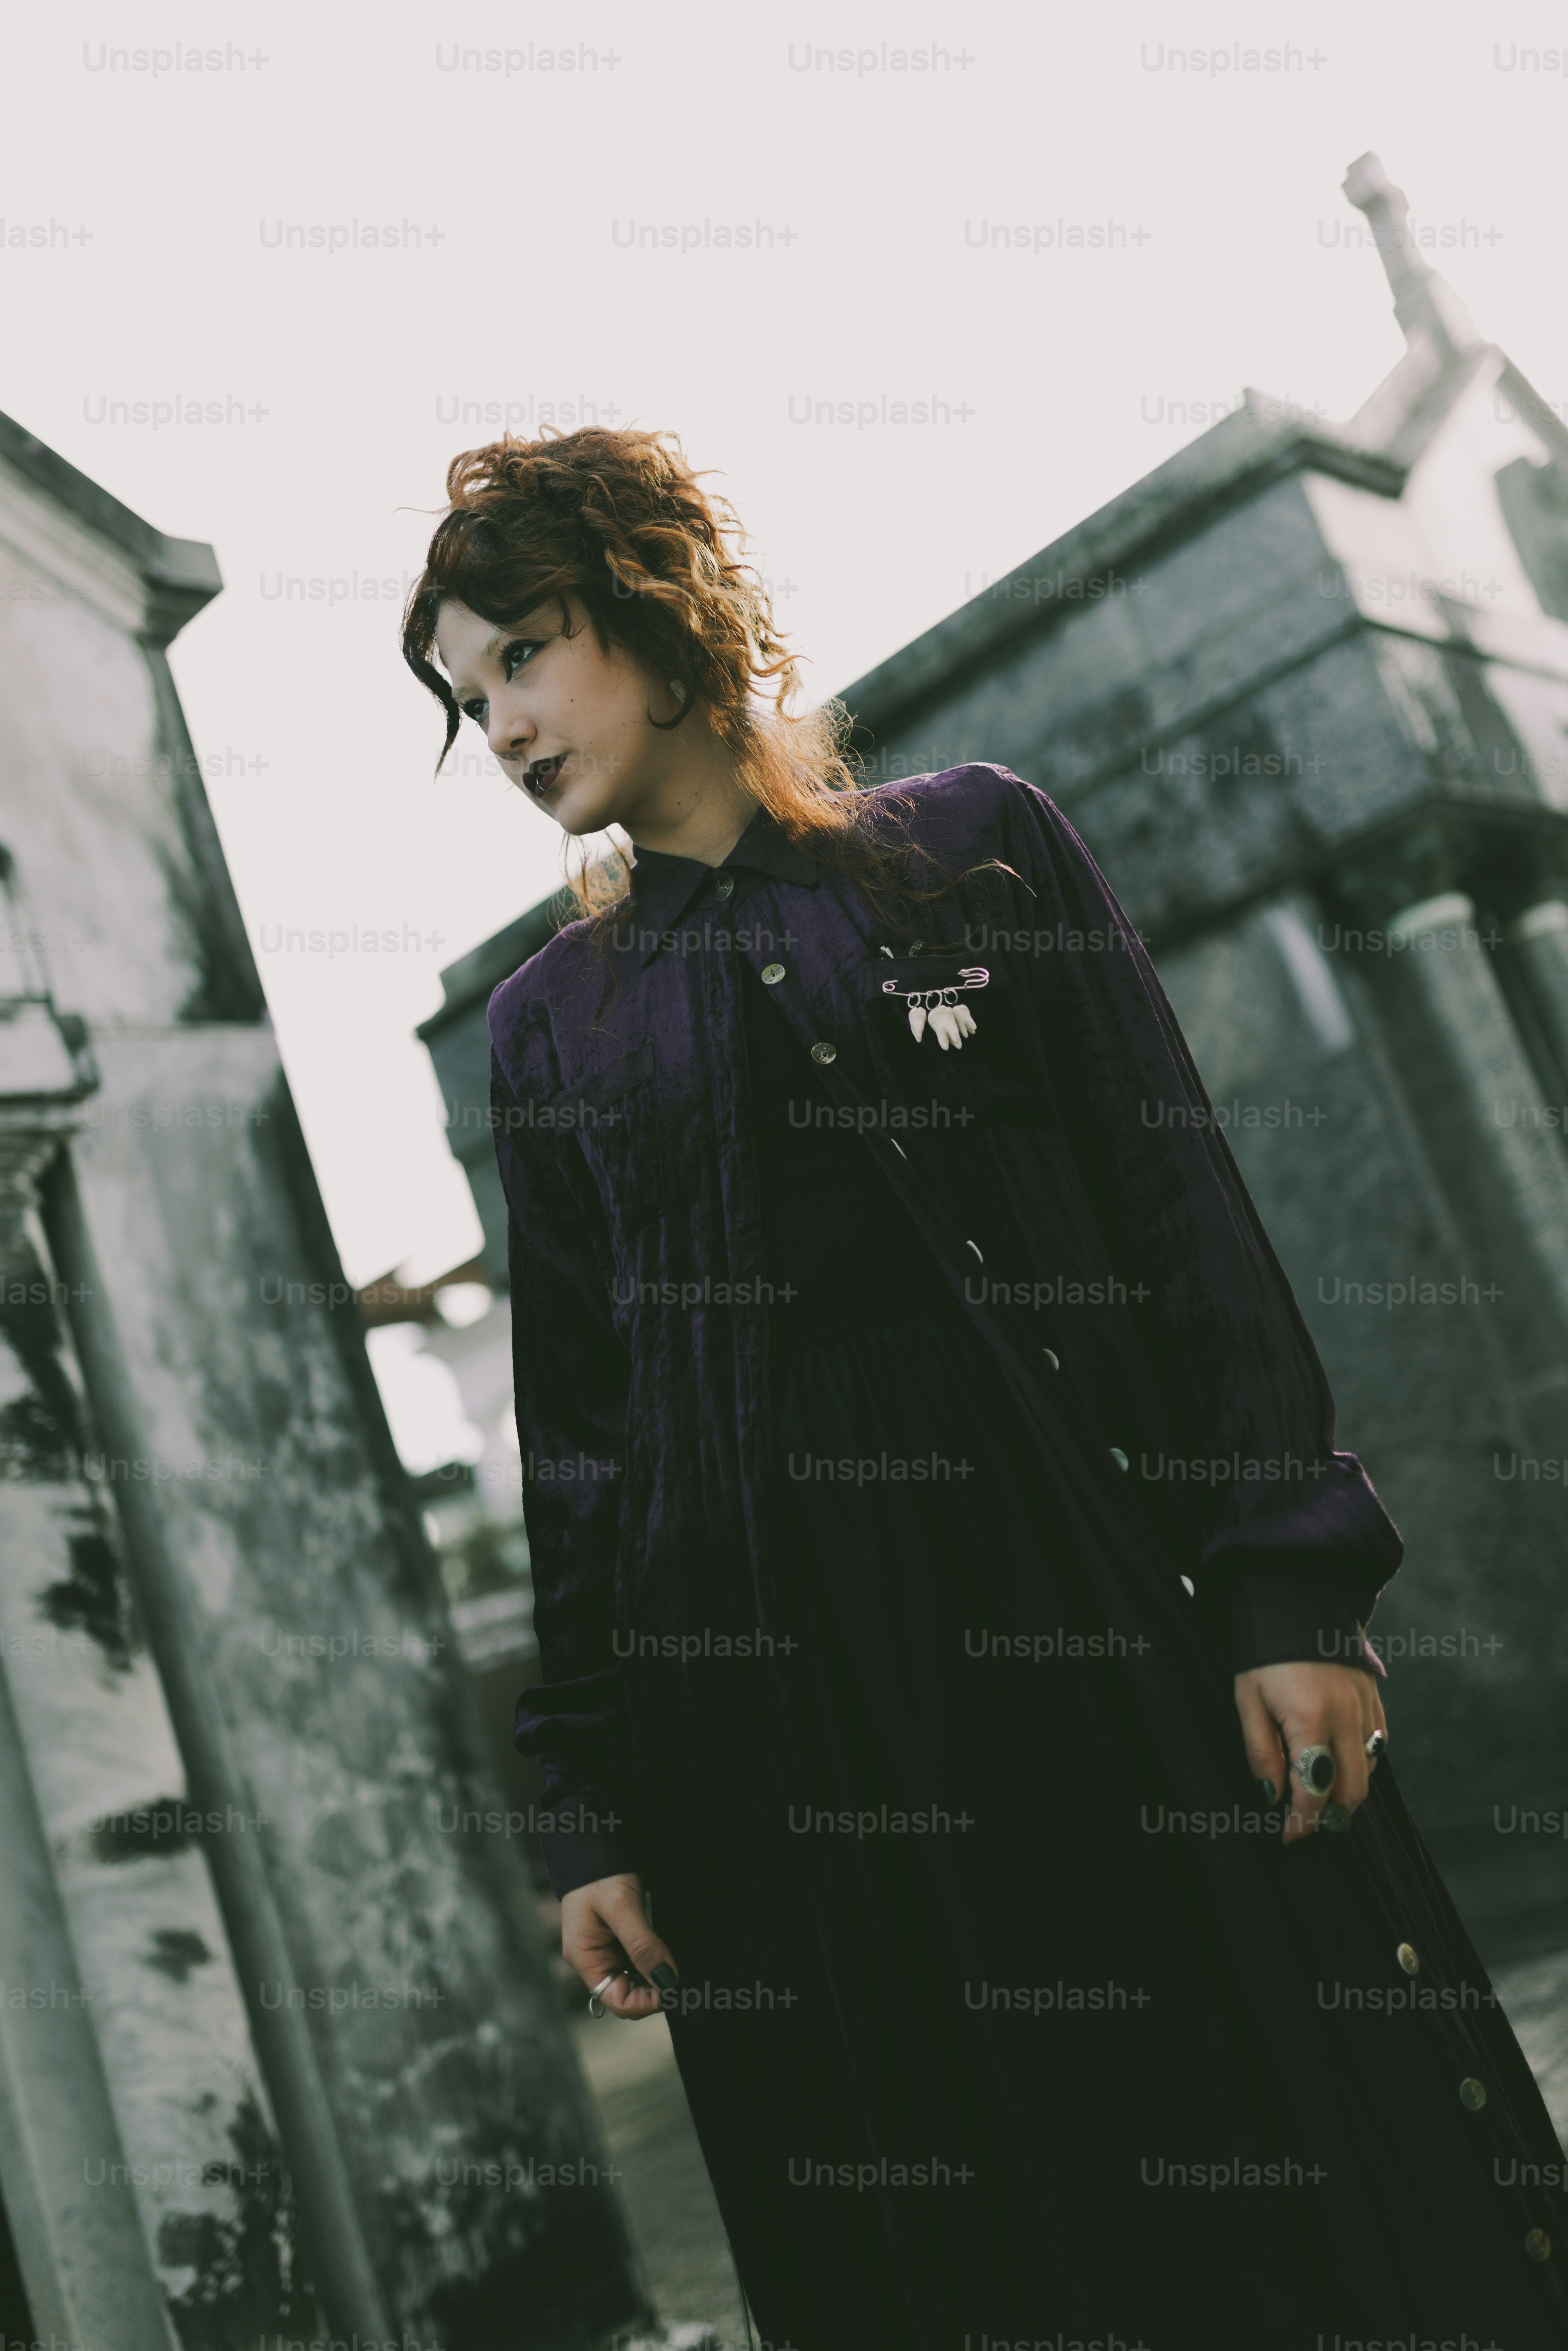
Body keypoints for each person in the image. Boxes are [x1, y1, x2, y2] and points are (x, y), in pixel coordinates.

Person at [402, 426, 1568, 2350]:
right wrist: (590, 1809)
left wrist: (1285, 1583)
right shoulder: (554, 1025)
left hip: (1099, 1613)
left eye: (523, 652)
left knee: (1289, 2145)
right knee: (970, 2229)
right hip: (782, 1739)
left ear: (653, 601)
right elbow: (591, 1442)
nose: (506, 725)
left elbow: (1172, 1207)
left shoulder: (971, 849)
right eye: (468, 698)